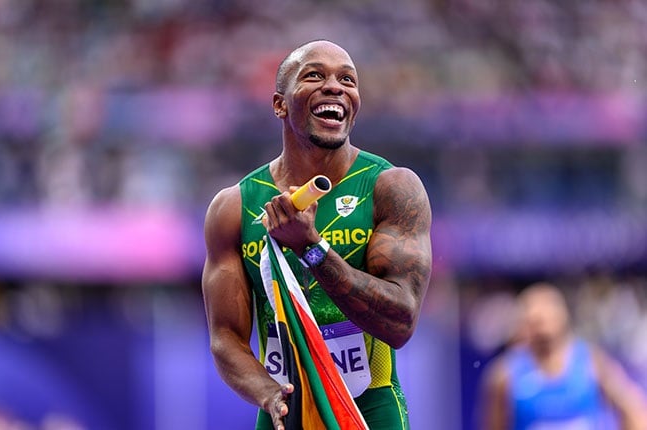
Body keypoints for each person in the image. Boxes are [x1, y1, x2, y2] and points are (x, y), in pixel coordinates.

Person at [201, 40, 432, 430]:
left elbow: (400, 322)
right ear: (279, 104)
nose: (335, 87)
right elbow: (225, 337)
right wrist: (268, 393)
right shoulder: (234, 207)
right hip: (284, 408)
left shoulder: (389, 187)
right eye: (314, 75)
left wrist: (312, 248)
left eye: (347, 79)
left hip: (368, 408)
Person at [480, 282, 647, 430]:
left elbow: (633, 409)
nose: (541, 326)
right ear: (524, 323)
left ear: (562, 317)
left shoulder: (591, 361)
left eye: (546, 316)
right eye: (534, 319)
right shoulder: (505, 374)